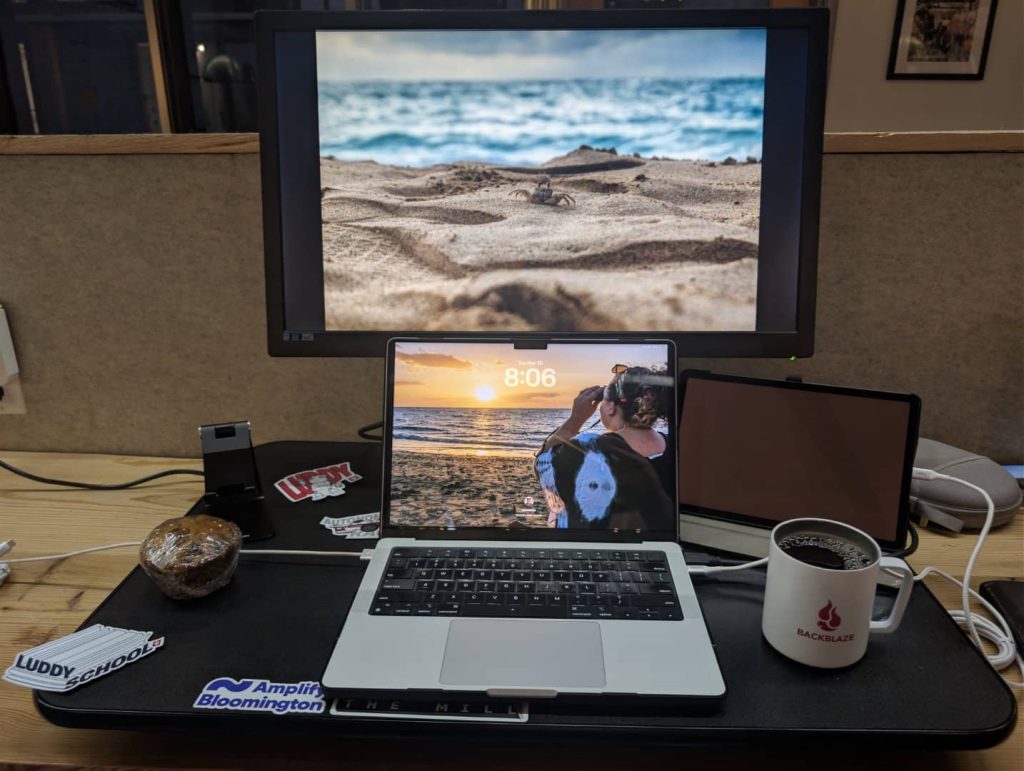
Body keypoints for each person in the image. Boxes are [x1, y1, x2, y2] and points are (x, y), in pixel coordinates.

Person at [534, 365, 674, 530]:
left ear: (611, 407)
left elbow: (542, 464)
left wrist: (576, 419)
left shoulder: (587, 450)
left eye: (604, 399)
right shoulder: (677, 449)